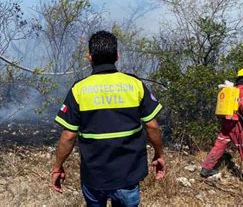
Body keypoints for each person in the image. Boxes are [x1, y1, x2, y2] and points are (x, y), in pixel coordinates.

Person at [50, 30, 165, 207]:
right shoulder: (134, 84)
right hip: (128, 177)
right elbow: (152, 126)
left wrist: (57, 167)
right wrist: (159, 154)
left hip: (94, 177)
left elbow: (69, 136)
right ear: (117, 56)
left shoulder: (79, 89)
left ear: (89, 57)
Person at [200, 68, 243, 187]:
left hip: (226, 121)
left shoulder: (232, 90)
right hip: (237, 124)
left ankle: (206, 168)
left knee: (220, 144)